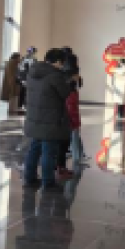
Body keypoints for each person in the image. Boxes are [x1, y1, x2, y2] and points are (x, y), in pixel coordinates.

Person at [23, 48, 72, 192]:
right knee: (49, 152)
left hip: (34, 117)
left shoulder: (32, 72)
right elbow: (65, 93)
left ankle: (29, 178)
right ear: (57, 62)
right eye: (62, 63)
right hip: (50, 120)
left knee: (34, 150)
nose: (62, 66)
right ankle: (48, 182)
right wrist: (68, 80)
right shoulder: (55, 75)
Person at [66, 72, 84, 165]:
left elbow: (71, 110)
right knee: (75, 138)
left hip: (72, 120)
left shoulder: (70, 94)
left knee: (75, 138)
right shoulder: (73, 94)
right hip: (74, 120)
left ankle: (78, 156)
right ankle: (78, 156)